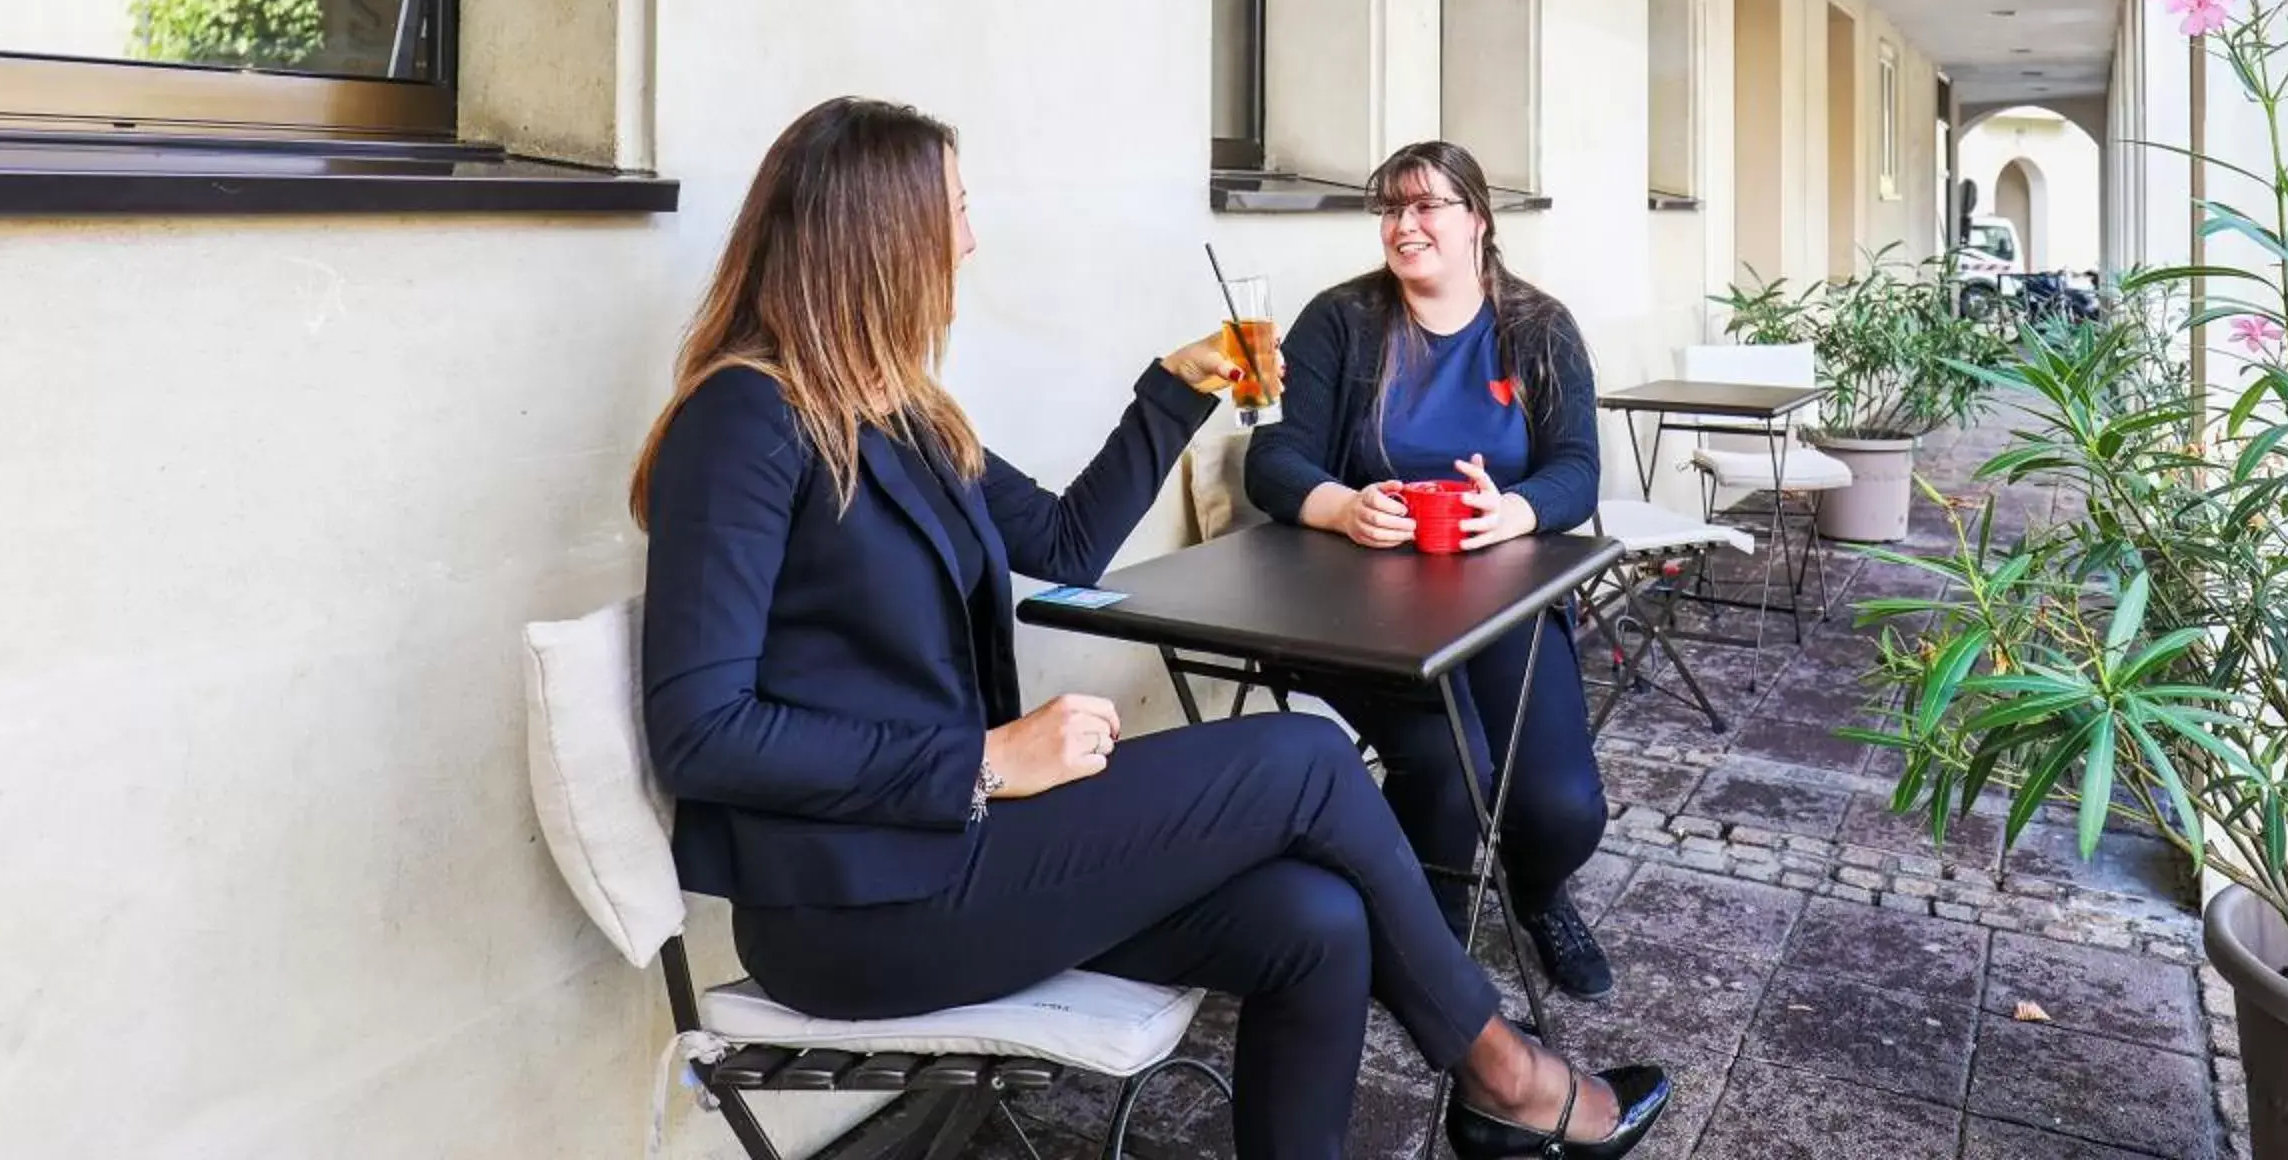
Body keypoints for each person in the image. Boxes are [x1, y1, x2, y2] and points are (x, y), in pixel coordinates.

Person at [635, 98, 1669, 1160]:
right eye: (955, 208)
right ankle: (1504, 1072)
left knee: (1316, 920)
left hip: (954, 849)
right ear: (878, 232)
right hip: (859, 906)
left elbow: (1070, 542)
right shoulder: (746, 419)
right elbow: (701, 729)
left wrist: (1173, 395)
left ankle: (1494, 1085)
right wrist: (981, 758)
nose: (971, 236)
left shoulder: (900, 410)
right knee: (1308, 756)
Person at [1244, 140, 1617, 1001]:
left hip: (1498, 599)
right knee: (1452, 769)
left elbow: (1577, 468)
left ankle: (1540, 891)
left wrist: (1514, 511)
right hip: (1356, 609)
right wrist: (1342, 504)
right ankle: (1431, 943)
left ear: (1477, 220)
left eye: (1425, 206)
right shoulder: (1340, 320)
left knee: (1562, 806)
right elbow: (1275, 458)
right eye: (1390, 209)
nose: (1403, 225)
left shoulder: (1538, 327)